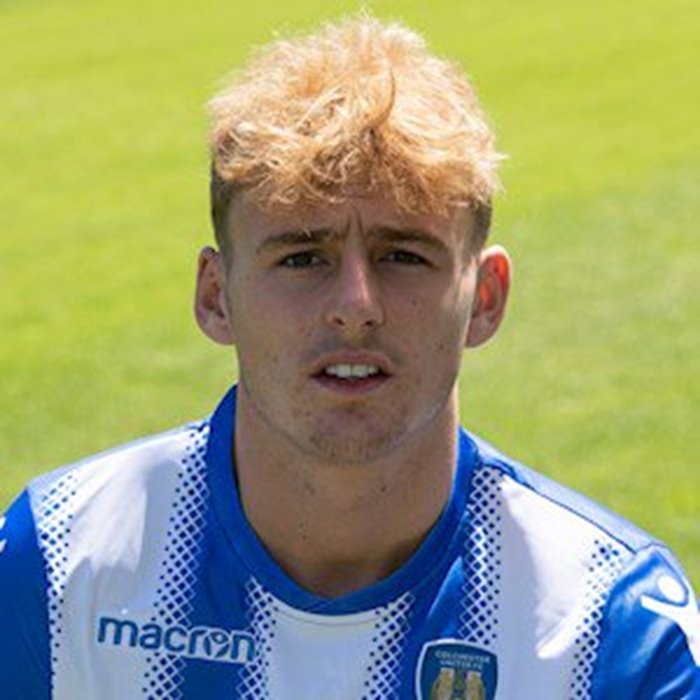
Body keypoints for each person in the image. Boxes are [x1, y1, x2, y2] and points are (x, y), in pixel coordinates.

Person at [0, 15, 698, 700]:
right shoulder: (57, 564)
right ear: (216, 297)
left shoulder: (610, 624)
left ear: (485, 298)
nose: (356, 304)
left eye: (404, 255)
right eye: (302, 257)